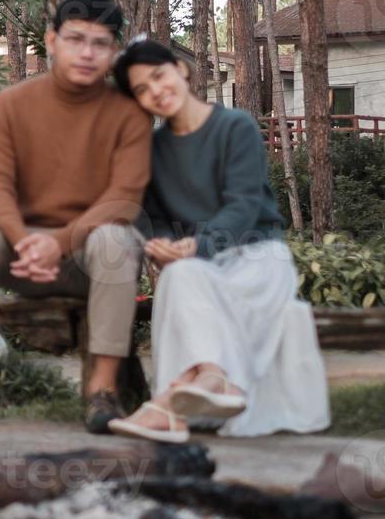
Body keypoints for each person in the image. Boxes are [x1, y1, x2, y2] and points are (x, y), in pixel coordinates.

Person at [0, 0, 152, 434]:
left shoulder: (129, 113)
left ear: (114, 51)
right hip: (24, 254)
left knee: (115, 239)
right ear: (51, 40)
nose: (87, 53)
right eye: (76, 39)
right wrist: (29, 242)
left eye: (100, 43)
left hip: (90, 258)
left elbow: (124, 195)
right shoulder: (13, 103)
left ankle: (102, 395)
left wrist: (60, 243)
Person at [105, 38, 329, 442]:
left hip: (257, 257)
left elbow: (243, 206)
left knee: (186, 272)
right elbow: (149, 215)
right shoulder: (152, 151)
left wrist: (196, 245)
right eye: (142, 89)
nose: (155, 91)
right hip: (199, 264)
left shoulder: (234, 126)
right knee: (177, 277)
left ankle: (169, 407)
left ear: (181, 69)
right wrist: (161, 244)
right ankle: (211, 379)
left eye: (159, 76)